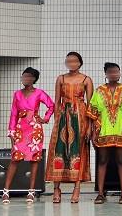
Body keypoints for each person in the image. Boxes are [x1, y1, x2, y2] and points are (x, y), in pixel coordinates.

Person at [46, 51, 94, 204]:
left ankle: (77, 188)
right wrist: (56, 122)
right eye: (68, 60)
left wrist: (89, 127)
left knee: (78, 152)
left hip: (80, 117)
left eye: (74, 61)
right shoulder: (61, 78)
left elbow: (91, 105)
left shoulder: (86, 79)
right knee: (58, 150)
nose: (71, 63)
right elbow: (56, 100)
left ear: (80, 62)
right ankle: (56, 189)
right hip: (62, 117)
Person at [3, 68, 54, 205]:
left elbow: (51, 105)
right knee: (15, 159)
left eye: (28, 76)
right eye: (23, 76)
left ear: (33, 79)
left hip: (35, 129)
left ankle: (31, 191)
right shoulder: (17, 94)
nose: (25, 78)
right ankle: (5, 191)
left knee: (34, 160)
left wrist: (45, 118)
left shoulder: (39, 93)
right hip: (20, 129)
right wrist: (11, 132)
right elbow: (14, 113)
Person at [88, 62, 122, 205]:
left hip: (121, 130)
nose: (114, 74)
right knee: (103, 161)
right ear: (106, 74)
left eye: (116, 72)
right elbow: (93, 113)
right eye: (111, 72)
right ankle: (100, 194)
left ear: (120, 73)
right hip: (103, 130)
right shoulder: (99, 91)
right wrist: (92, 132)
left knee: (121, 161)